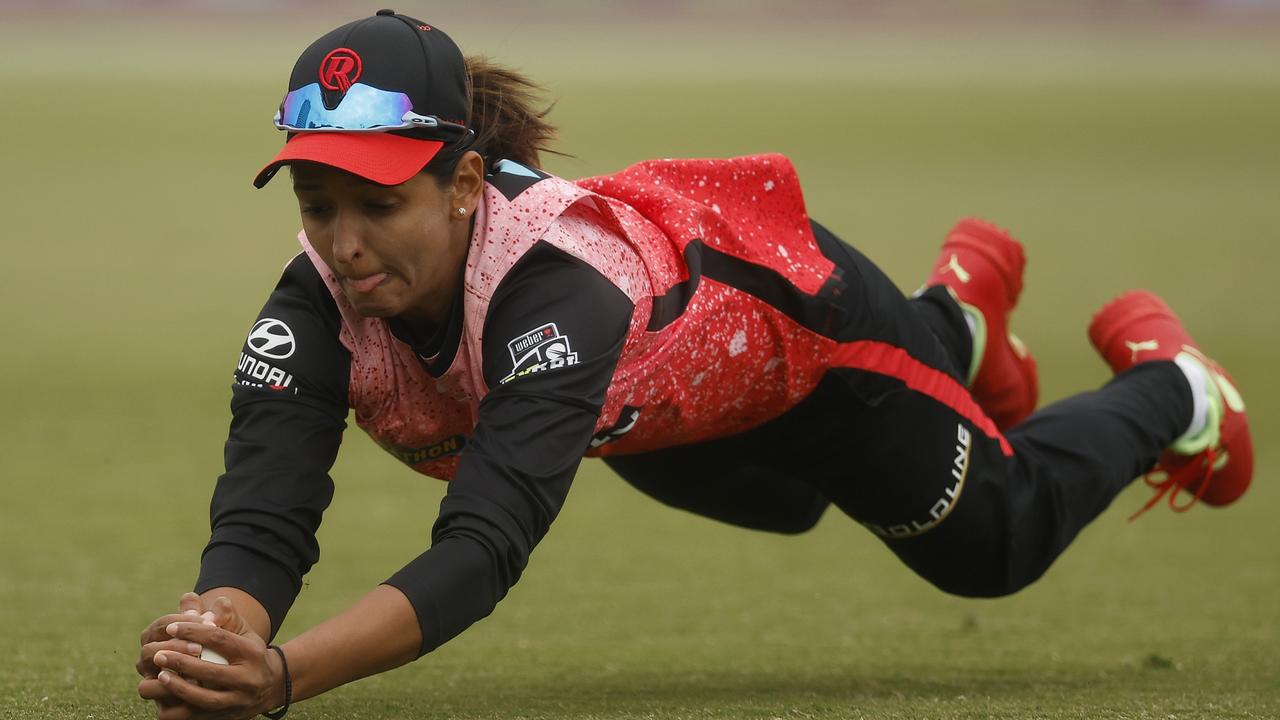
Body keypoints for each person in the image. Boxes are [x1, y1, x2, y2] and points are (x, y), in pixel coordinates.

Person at [135, 10, 1253, 720]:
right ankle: (955, 328)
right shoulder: (315, 300)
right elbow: (266, 511)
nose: (343, 242)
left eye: (379, 203)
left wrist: (283, 680)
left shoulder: (554, 296)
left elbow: (483, 543)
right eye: (316, 203)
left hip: (806, 346)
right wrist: (221, 630)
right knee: (781, 511)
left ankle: (1172, 386)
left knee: (991, 547)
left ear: (467, 184)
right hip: (667, 418)